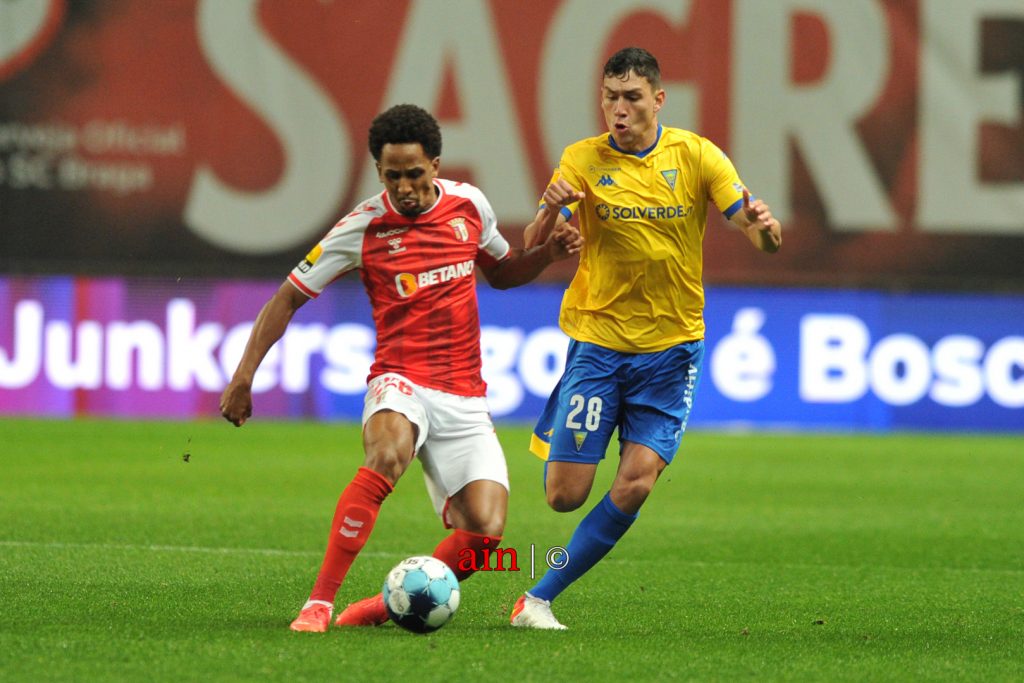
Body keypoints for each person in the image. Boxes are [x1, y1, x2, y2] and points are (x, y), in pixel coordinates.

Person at [220, 103, 582, 632]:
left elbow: (503, 272)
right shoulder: (362, 227)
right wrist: (243, 376)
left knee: (484, 535)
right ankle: (318, 603)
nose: (405, 187)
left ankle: (378, 608)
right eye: (392, 177)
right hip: (400, 379)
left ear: (435, 164)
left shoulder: (469, 205)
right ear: (379, 172)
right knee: (387, 454)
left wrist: (547, 254)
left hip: (465, 395)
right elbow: (287, 298)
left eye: (414, 174)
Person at [509, 47, 781, 630]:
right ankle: (539, 582)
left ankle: (536, 599)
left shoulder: (697, 155)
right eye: (610, 97)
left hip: (672, 349)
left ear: (658, 100)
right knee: (563, 496)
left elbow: (753, 228)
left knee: (635, 483)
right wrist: (549, 214)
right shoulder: (582, 159)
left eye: (632, 97)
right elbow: (535, 241)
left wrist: (766, 230)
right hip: (599, 345)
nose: (619, 109)